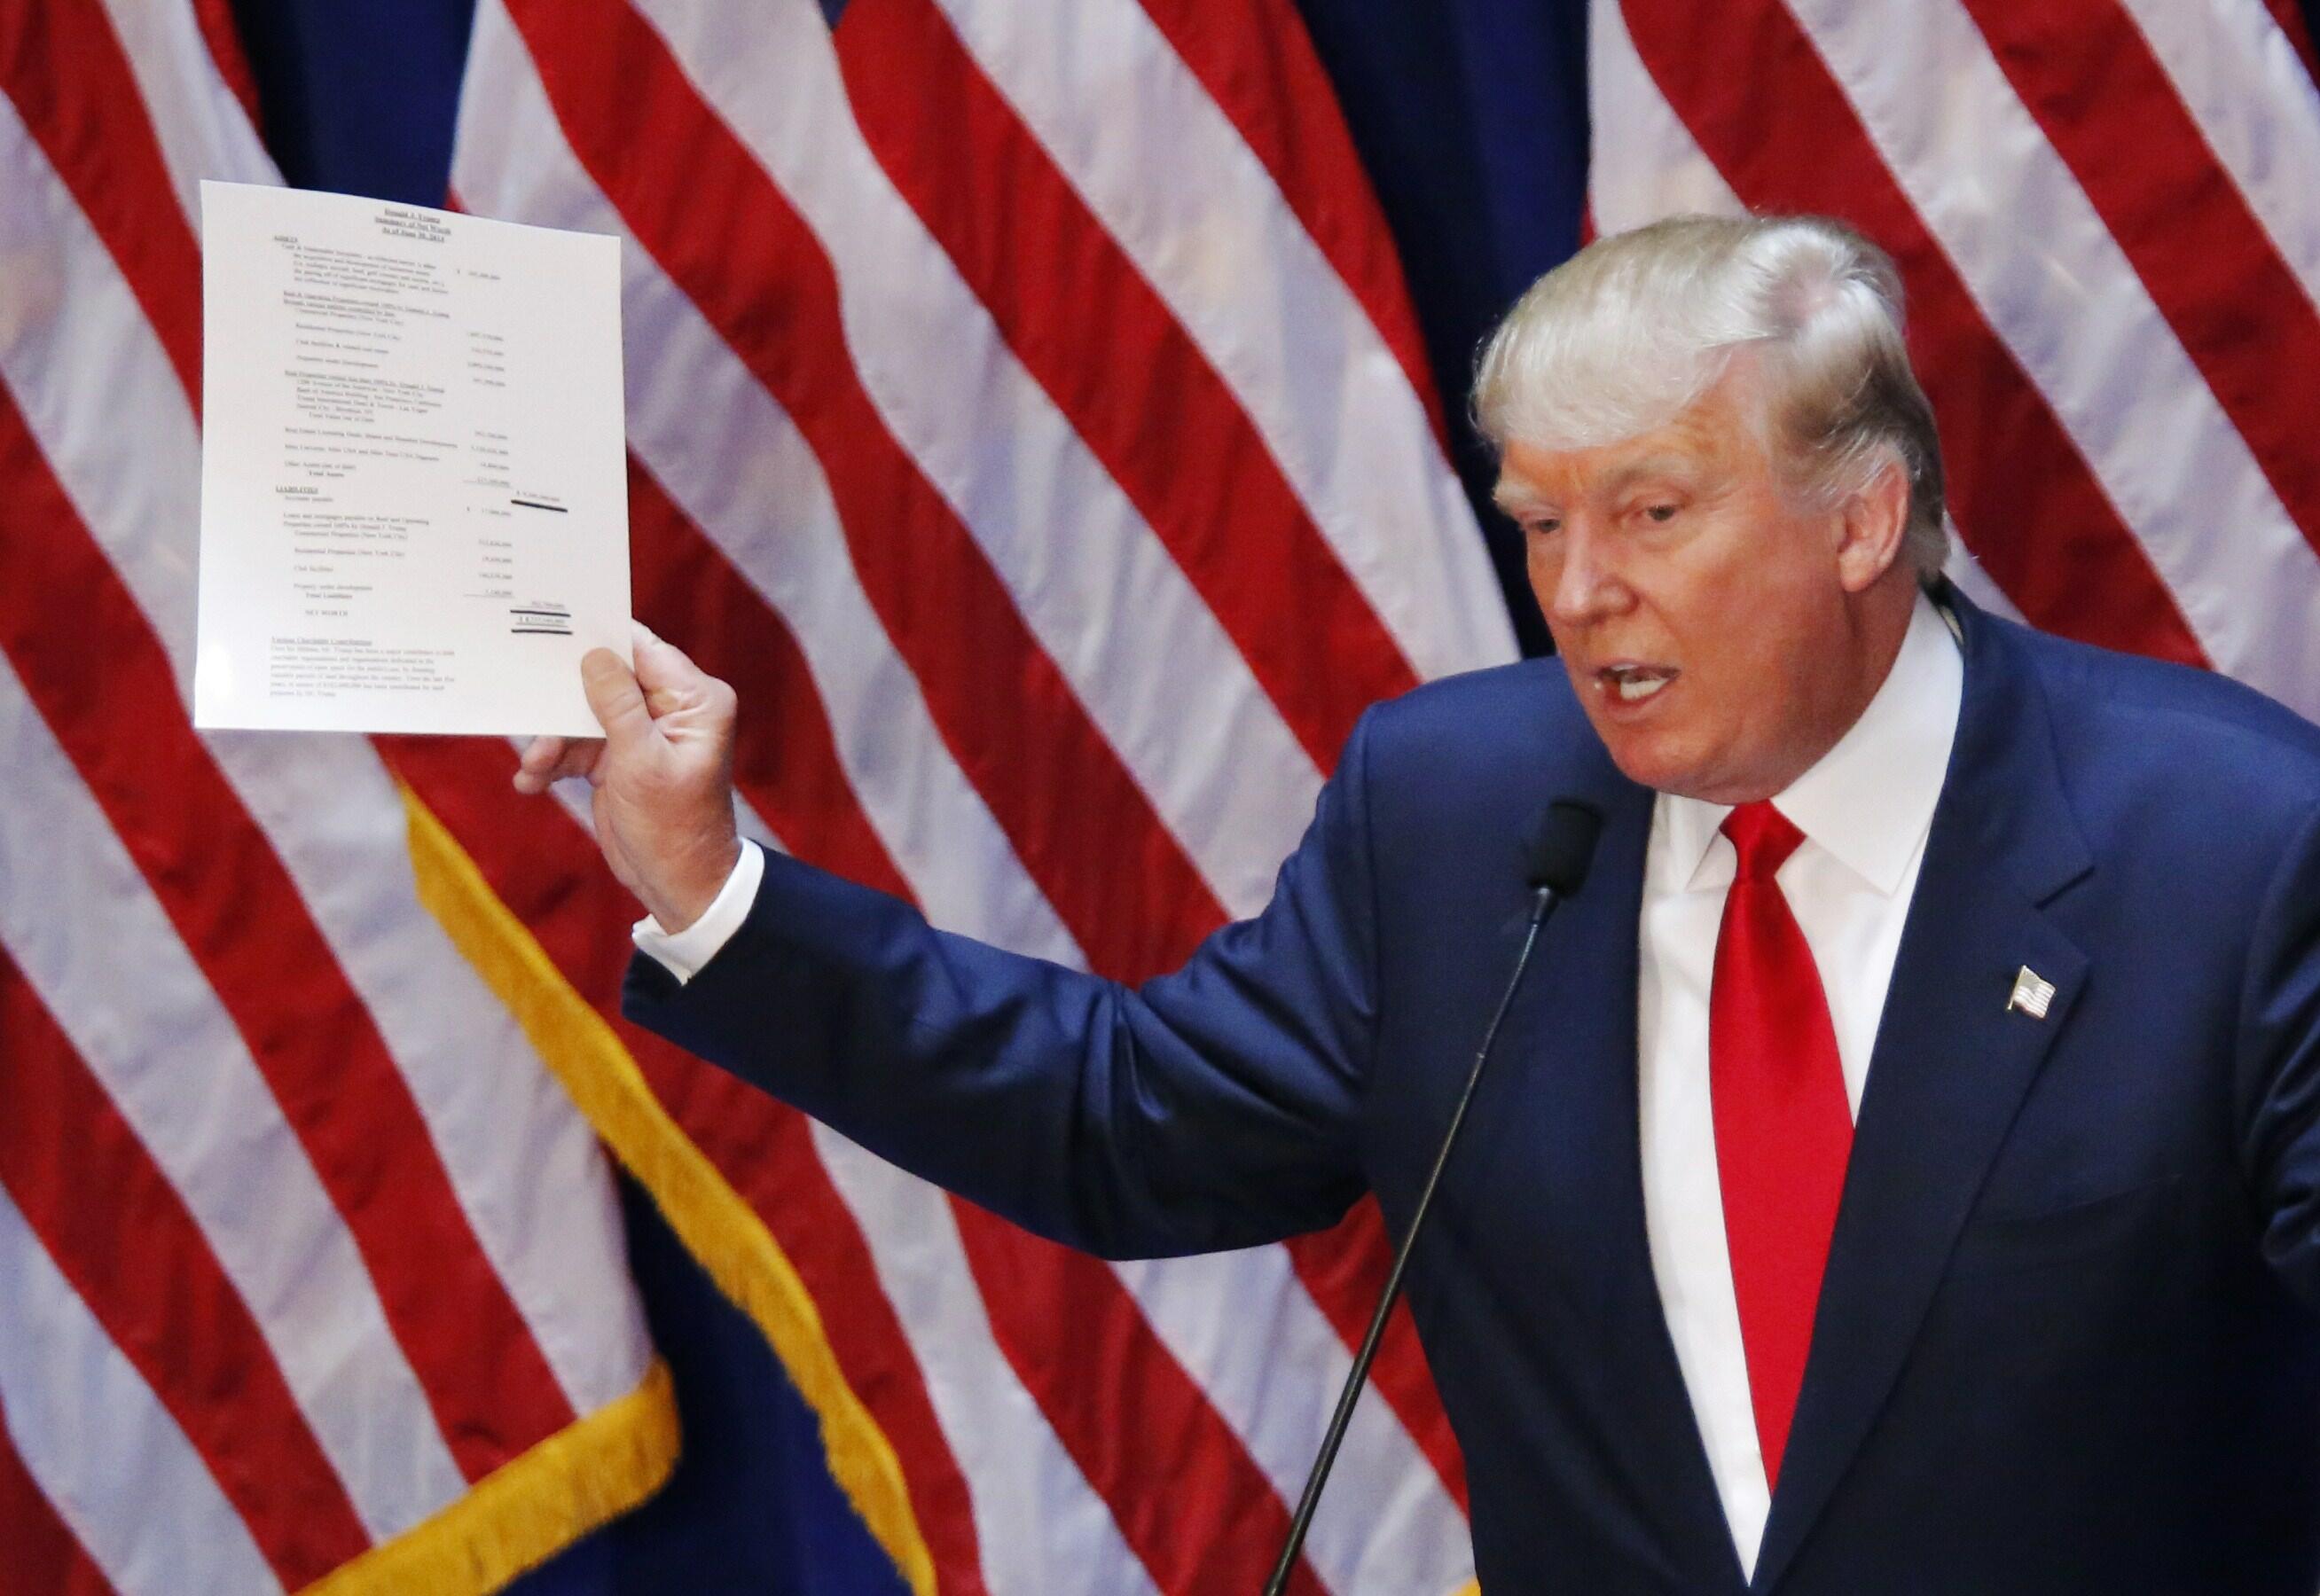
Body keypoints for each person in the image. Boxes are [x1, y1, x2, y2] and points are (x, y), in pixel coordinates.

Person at [515, 215, 2320, 1593]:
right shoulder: (1462, 812)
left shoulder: (2229, 851)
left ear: (1863, 517)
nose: (1581, 594)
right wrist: (713, 886)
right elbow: (1124, 1125)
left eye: (1653, 511)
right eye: (1540, 526)